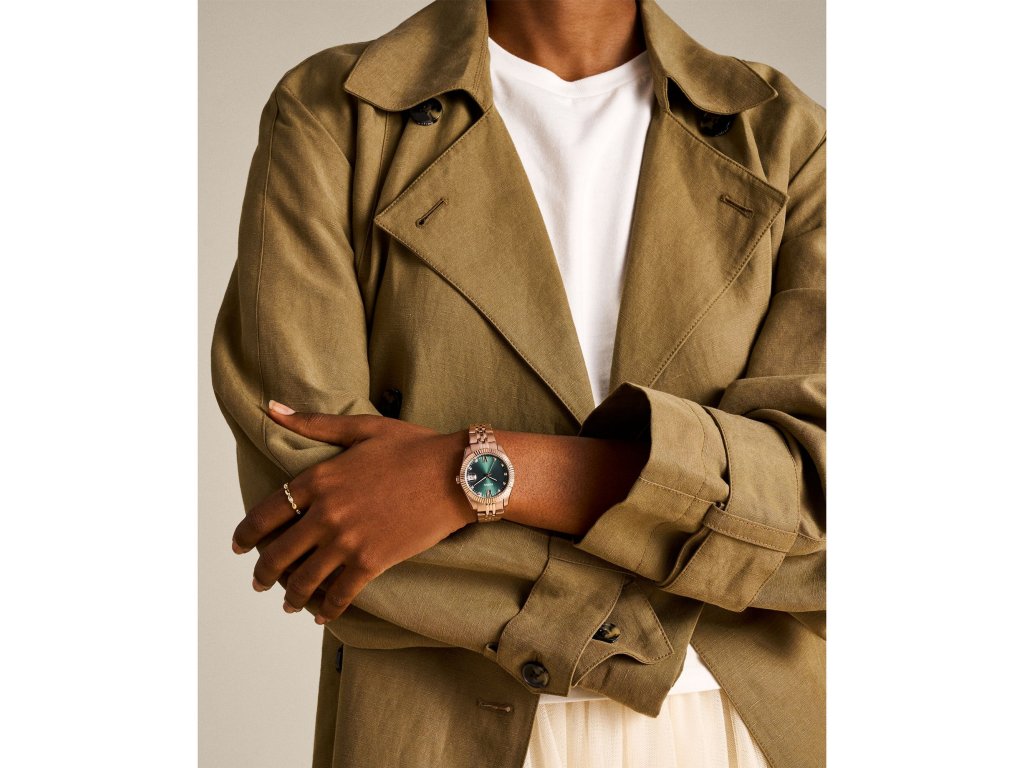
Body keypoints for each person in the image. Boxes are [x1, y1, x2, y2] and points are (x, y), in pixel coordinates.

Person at [210, 0, 825, 766]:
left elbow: (825, 507)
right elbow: (316, 496)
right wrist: (707, 524)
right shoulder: (334, 114)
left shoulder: (789, 140)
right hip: (432, 728)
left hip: (740, 725)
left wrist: (472, 474)